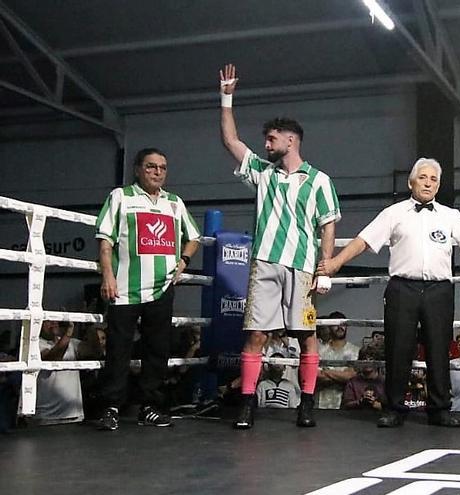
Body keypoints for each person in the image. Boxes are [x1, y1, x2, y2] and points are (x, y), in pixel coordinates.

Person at [318, 157, 460, 428]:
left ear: (438, 185)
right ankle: (394, 408)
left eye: (433, 179)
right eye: (423, 177)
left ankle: (440, 409)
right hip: (403, 288)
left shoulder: (450, 216)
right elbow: (364, 240)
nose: (428, 183)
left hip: (439, 289)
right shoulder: (394, 213)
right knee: (398, 349)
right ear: (411, 181)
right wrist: (335, 263)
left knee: (439, 349)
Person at [219, 64, 340, 429]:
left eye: (272, 139)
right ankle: (246, 404)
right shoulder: (263, 172)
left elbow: (328, 224)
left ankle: (306, 404)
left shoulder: (319, 180)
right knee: (255, 333)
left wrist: (326, 267)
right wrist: (227, 98)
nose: (266, 145)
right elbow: (231, 141)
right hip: (265, 262)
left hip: (302, 267)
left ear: (291, 140)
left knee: (306, 335)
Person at [95, 147, 201, 431]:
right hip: (125, 286)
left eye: (162, 168)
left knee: (157, 350)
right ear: (138, 169)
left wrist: (183, 261)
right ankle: (111, 407)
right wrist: (107, 276)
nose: (157, 172)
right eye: (151, 166)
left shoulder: (174, 203)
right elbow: (105, 240)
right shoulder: (120, 196)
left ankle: (150, 407)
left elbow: (194, 237)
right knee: (118, 349)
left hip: (162, 286)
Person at [34, 320, 84, 425]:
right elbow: (54, 357)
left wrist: (94, 324)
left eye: (55, 320)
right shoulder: (35, 344)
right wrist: (69, 332)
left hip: (74, 414)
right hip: (46, 417)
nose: (53, 323)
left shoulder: (72, 342)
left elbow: (94, 350)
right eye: (48, 321)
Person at [316, 313, 360, 409]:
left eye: (343, 324)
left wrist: (326, 371)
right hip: (320, 404)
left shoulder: (355, 351)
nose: (340, 327)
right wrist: (341, 375)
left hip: (346, 405)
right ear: (329, 327)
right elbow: (316, 376)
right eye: (336, 324)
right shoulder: (319, 350)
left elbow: (351, 377)